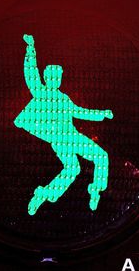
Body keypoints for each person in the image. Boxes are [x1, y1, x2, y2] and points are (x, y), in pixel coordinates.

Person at [13, 33, 113, 216]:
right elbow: (31, 74)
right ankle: (44, 194)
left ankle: (95, 190)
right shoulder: (41, 93)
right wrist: (30, 49)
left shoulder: (64, 99)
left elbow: (81, 112)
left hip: (72, 137)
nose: (56, 80)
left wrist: (102, 114)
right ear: (47, 78)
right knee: (74, 168)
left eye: (58, 77)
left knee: (99, 158)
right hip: (61, 140)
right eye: (53, 77)